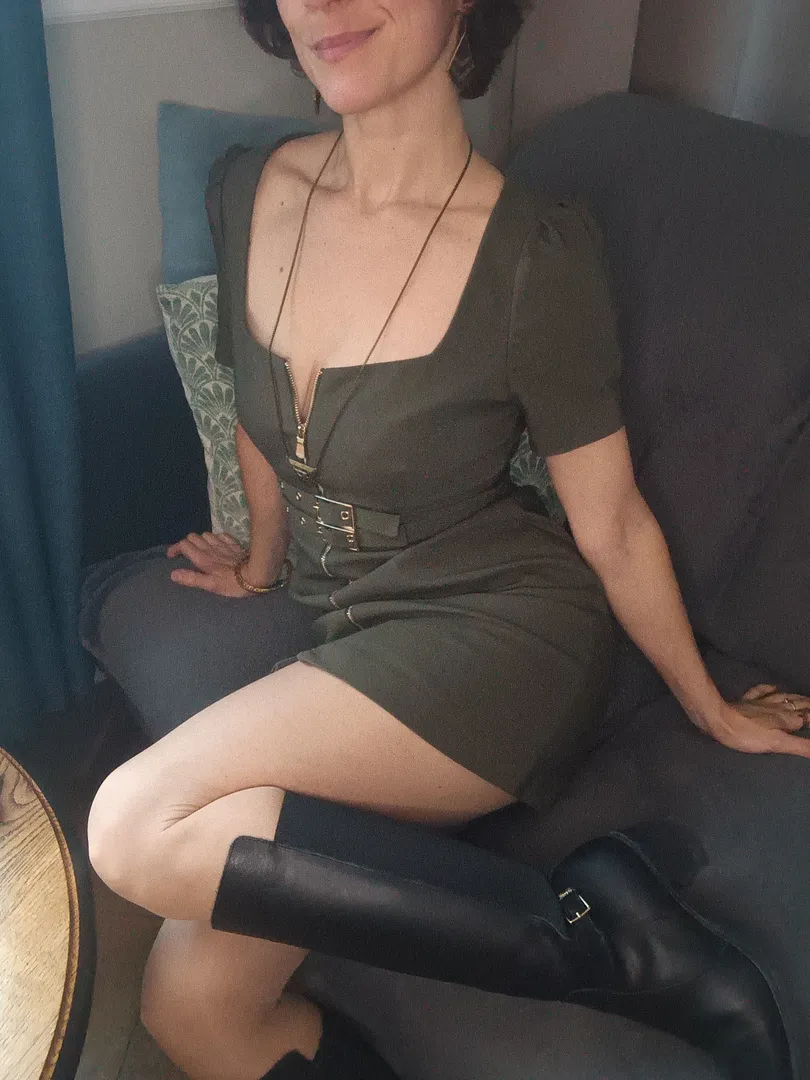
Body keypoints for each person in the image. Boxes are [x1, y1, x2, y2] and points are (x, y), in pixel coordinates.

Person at [86, 2, 810, 1078]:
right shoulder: (250, 190)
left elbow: (611, 521)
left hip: (505, 636)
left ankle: (593, 941)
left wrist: (709, 706)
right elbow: (254, 415)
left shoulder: (533, 252)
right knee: (187, 1005)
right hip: (357, 635)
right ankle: (594, 929)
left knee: (132, 823)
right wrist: (263, 564)